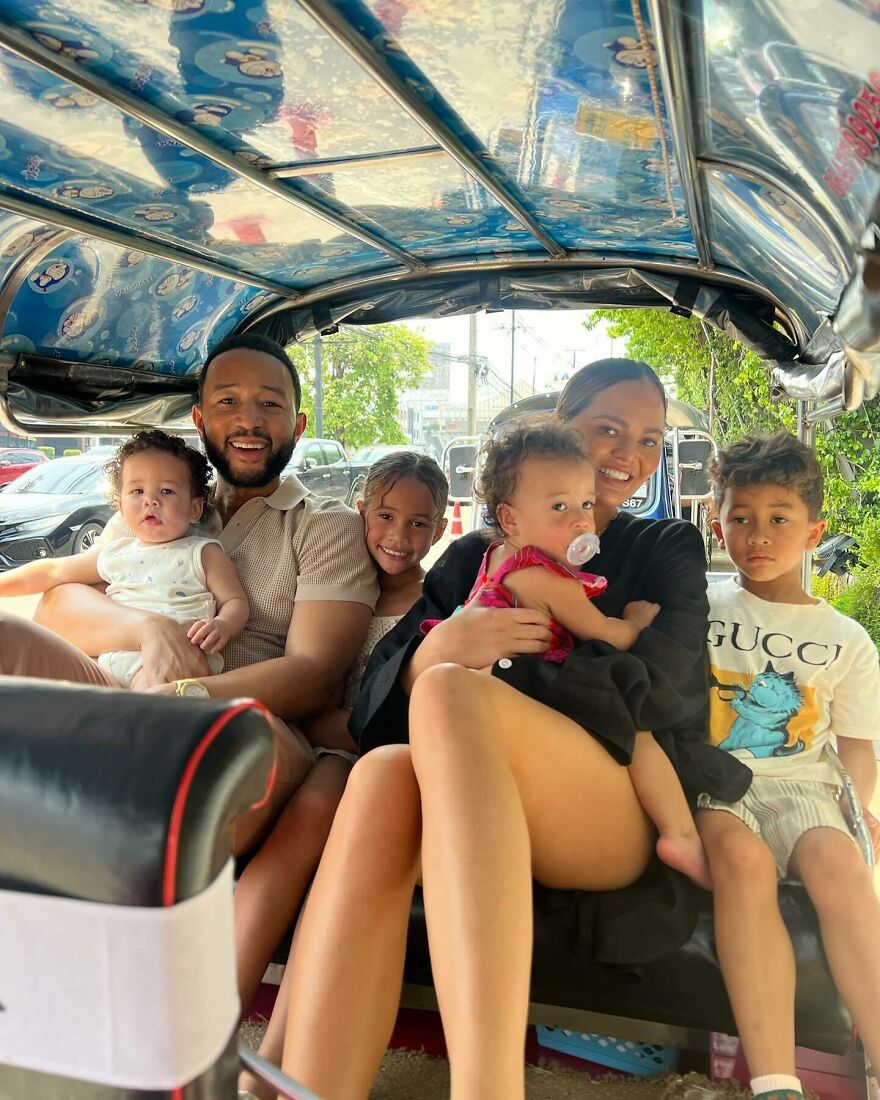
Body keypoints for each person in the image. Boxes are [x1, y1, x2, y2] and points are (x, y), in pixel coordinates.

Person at [265, 358, 749, 1100]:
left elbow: (664, 691)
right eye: (609, 429)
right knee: (383, 772)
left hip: (613, 804)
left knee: (453, 696)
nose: (629, 454)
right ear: (563, 427)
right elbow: (374, 717)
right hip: (475, 805)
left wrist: (509, 672)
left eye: (650, 440)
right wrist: (434, 650)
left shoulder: (662, 548)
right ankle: (308, 1088)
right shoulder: (476, 556)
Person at [0, 332, 378, 856]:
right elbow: (57, 605)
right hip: (124, 687)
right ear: (200, 420)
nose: (249, 420)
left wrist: (183, 696)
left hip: (244, 723)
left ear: (298, 425)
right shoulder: (154, 505)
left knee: (191, 742)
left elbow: (313, 676)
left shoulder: (324, 526)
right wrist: (148, 628)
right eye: (228, 401)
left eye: (270, 404)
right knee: (8, 636)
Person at [237, 451, 448, 1093]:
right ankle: (210, 1032)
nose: (398, 535)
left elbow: (383, 719)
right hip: (326, 751)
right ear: (361, 513)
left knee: (319, 814)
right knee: (304, 828)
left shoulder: (435, 603)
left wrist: (328, 726)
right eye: (385, 516)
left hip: (379, 760)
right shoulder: (337, 589)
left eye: (419, 523)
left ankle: (270, 1061)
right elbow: (314, 689)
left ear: (441, 529)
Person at [421, 419, 709, 888]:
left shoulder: (494, 560)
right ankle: (680, 832)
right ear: (510, 519)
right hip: (542, 694)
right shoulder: (547, 580)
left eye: (585, 504)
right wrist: (637, 621)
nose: (580, 520)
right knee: (636, 729)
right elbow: (608, 636)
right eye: (559, 506)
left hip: (495, 696)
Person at [698, 431, 880, 1100]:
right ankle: (776, 1082)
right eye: (741, 518)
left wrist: (858, 810)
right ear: (717, 522)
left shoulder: (845, 640)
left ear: (813, 533)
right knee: (741, 863)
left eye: (779, 519)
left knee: (839, 862)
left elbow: (856, 745)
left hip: (803, 786)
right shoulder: (702, 606)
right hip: (718, 787)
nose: (758, 536)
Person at [0, 429, 248, 689]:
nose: (150, 500)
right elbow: (53, 571)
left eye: (166, 491)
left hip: (173, 663)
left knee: (147, 694)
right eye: (137, 491)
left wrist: (223, 624)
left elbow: (235, 601)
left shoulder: (203, 553)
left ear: (194, 508)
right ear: (120, 507)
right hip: (109, 661)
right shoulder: (116, 552)